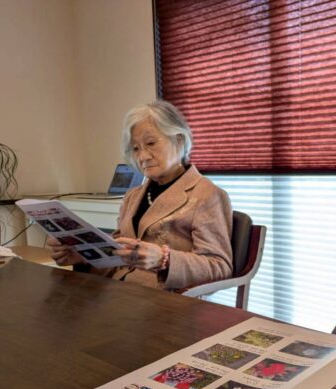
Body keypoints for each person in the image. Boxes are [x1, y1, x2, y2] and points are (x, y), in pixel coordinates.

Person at [48, 100, 233, 291]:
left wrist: (164, 259)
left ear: (179, 140)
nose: (142, 157)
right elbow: (117, 254)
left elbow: (220, 266)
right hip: (119, 291)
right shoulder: (133, 196)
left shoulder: (207, 195)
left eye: (150, 143)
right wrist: (83, 256)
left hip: (165, 299)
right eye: (136, 148)